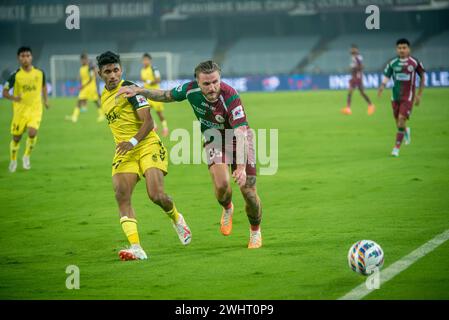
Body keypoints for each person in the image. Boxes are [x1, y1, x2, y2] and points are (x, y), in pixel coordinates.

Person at [118, 60, 263, 249]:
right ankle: (227, 208)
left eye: (215, 82)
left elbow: (242, 133)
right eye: (206, 83)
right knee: (222, 186)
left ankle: (255, 231)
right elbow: (166, 95)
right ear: (197, 82)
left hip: (240, 140)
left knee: (249, 191)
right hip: (214, 140)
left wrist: (242, 168)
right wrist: (140, 91)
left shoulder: (230, 97)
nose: (212, 87)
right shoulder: (190, 89)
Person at [97, 51, 191, 261]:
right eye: (107, 72)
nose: (112, 75)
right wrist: (126, 146)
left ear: (121, 70)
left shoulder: (129, 89)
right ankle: (136, 248)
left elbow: (149, 123)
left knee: (156, 195)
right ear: (99, 74)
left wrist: (131, 142)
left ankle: (176, 218)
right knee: (121, 194)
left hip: (146, 143)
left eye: (116, 70)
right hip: (125, 152)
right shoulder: (103, 96)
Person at [2, 46, 49, 172]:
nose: (26, 58)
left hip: (35, 109)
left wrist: (46, 101)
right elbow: (4, 92)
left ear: (31, 57)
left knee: (32, 133)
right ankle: (13, 159)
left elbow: (43, 87)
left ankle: (26, 157)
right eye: (23, 56)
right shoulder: (15, 75)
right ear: (19, 58)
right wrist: (14, 98)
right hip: (20, 111)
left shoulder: (39, 73)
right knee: (16, 138)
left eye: (28, 55)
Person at [378, 38, 425, 157]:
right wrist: (382, 87)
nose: (402, 50)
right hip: (395, 97)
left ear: (409, 49)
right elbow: (386, 76)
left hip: (408, 97)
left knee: (401, 120)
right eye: (399, 48)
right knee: (398, 123)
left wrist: (419, 94)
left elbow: (423, 76)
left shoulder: (414, 63)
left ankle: (396, 149)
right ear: (396, 49)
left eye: (404, 48)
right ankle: (405, 131)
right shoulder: (392, 63)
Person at [67, 53, 104, 123]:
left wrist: (83, 86)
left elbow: (91, 78)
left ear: (85, 59)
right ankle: (74, 116)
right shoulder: (81, 68)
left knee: (96, 101)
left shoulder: (90, 67)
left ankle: (102, 115)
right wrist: (81, 84)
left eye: (84, 60)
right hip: (84, 88)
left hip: (90, 87)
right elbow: (82, 78)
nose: (82, 61)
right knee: (79, 101)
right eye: (82, 60)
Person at [341, 45, 375, 116]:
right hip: (355, 77)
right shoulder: (353, 57)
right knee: (358, 92)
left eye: (353, 49)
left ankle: (349, 108)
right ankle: (370, 105)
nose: (352, 51)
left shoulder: (357, 57)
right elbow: (357, 66)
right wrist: (351, 68)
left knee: (354, 91)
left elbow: (361, 66)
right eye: (351, 49)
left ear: (356, 50)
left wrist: (353, 68)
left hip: (357, 77)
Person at [141, 53, 169, 136]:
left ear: (150, 60)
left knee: (159, 113)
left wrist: (149, 81)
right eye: (144, 60)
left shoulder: (154, 69)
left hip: (156, 94)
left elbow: (158, 79)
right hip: (147, 95)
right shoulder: (142, 70)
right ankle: (154, 126)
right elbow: (144, 82)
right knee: (145, 111)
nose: (145, 62)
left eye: (146, 60)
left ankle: (165, 128)